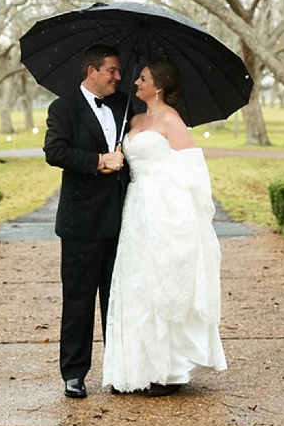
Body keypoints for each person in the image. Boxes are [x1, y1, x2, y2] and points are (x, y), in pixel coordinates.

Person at [102, 59, 227, 396]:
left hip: (165, 207)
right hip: (136, 207)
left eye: (142, 78)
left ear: (158, 86)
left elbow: (192, 167)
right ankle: (133, 369)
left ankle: (166, 372)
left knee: (161, 280)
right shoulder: (135, 118)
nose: (135, 82)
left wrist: (178, 203)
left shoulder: (171, 119)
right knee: (135, 278)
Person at [43, 43, 130, 399]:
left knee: (118, 298)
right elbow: (55, 151)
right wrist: (98, 161)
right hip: (81, 222)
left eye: (119, 71)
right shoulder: (63, 108)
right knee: (78, 300)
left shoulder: (124, 105)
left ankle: (119, 368)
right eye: (111, 70)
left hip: (123, 219)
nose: (118, 77)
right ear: (92, 71)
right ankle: (74, 373)